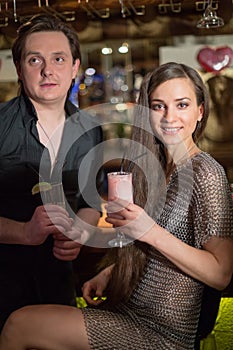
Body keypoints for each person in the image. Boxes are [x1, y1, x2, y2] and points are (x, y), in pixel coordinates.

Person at [0, 62, 233, 350]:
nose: (170, 117)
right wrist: (111, 273)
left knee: (19, 325)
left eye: (182, 105)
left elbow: (221, 274)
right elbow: (162, 254)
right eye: (158, 106)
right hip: (130, 312)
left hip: (161, 334)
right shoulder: (159, 169)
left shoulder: (206, 173)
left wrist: (148, 230)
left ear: (200, 111)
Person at [0, 14, 103, 333]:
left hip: (60, 287)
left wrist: (80, 233)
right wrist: (23, 233)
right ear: (19, 68)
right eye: (35, 60)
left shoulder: (90, 131)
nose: (48, 70)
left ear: (74, 67)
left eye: (58, 59)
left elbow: (90, 202)